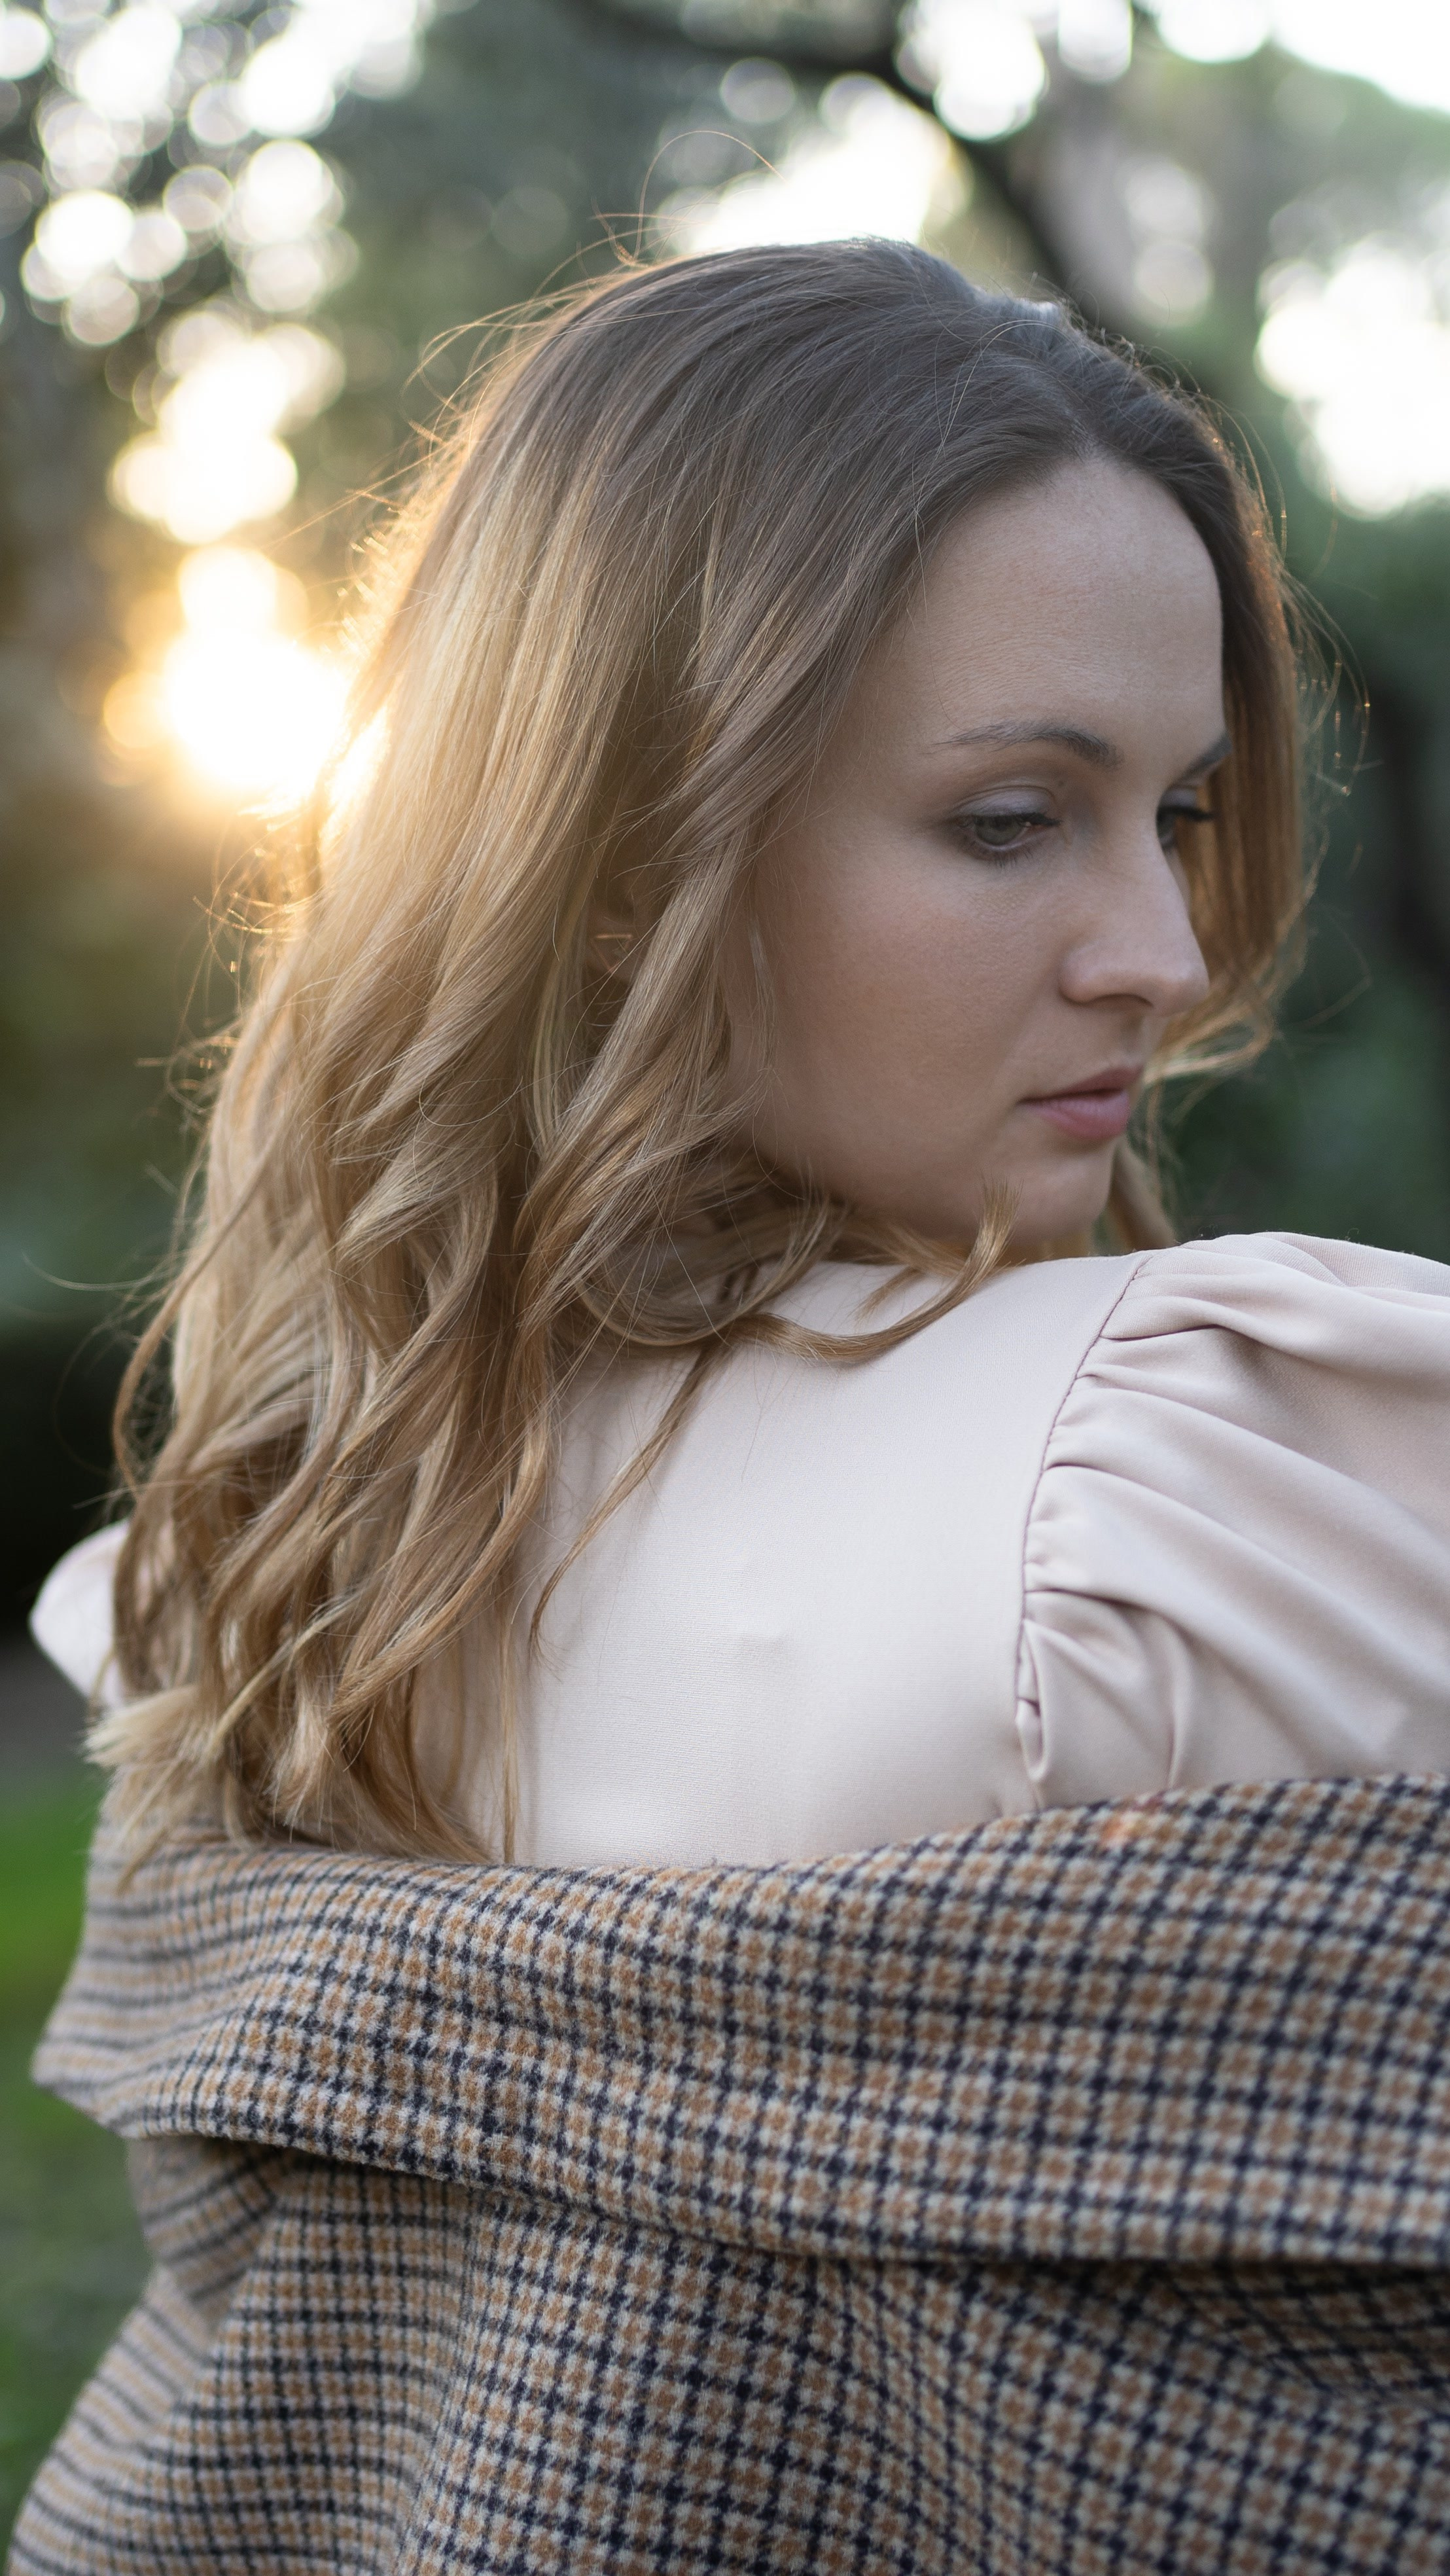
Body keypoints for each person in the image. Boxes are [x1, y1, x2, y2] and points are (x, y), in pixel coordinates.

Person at [18, 240, 1450, 2576]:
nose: (1167, 955)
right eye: (1013, 819)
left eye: (1181, 814)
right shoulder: (1167, 1500)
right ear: (611, 865)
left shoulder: (253, 1572)